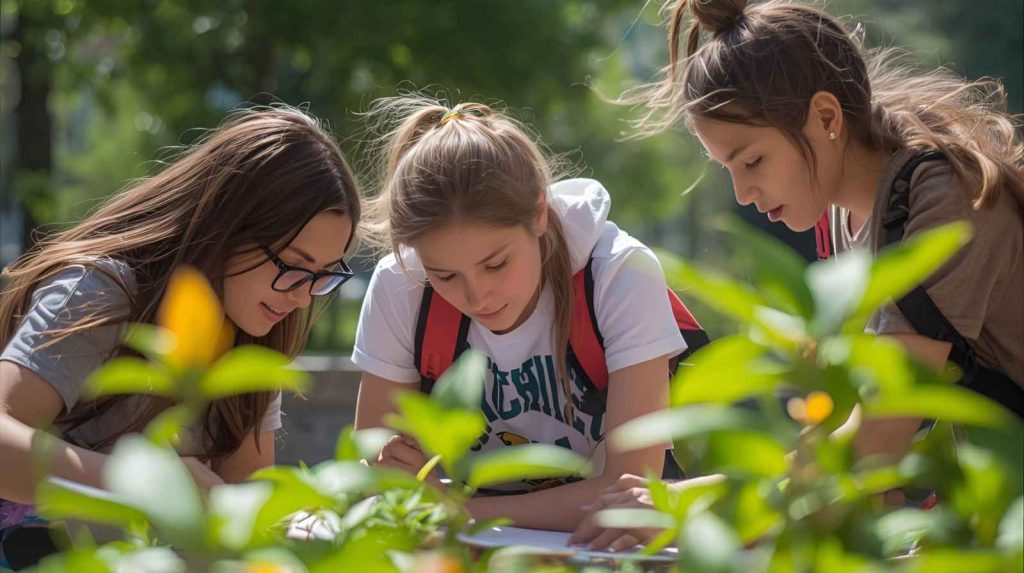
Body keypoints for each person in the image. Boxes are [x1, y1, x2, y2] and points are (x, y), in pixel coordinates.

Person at [572, 0, 1023, 550]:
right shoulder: (850, 212)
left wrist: (691, 504)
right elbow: (853, 443)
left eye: (753, 161)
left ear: (827, 118)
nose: (743, 193)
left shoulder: (944, 200)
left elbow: (880, 438)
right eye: (729, 171)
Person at [0, 106, 362, 569]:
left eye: (322, 276)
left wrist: (296, 526)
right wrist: (152, 486)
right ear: (228, 225)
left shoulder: (257, 333)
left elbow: (243, 492)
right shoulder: (99, 293)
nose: (303, 296)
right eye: (293, 264)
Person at [351, 97, 692, 532]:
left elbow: (629, 491)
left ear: (538, 213)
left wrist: (454, 511)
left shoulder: (619, 274)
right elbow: (377, 471)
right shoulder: (401, 285)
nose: (477, 298)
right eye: (445, 275)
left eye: (495, 265)